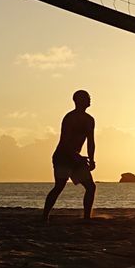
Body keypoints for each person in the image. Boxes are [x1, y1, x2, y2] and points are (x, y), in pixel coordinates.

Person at [42, 90, 97, 222]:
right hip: (63, 156)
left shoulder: (90, 120)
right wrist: (76, 156)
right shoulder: (69, 118)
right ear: (78, 100)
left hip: (76, 158)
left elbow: (91, 141)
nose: (90, 100)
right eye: (86, 98)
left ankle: (86, 217)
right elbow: (65, 142)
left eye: (89, 97)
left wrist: (92, 159)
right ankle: (45, 217)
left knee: (90, 187)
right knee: (59, 186)